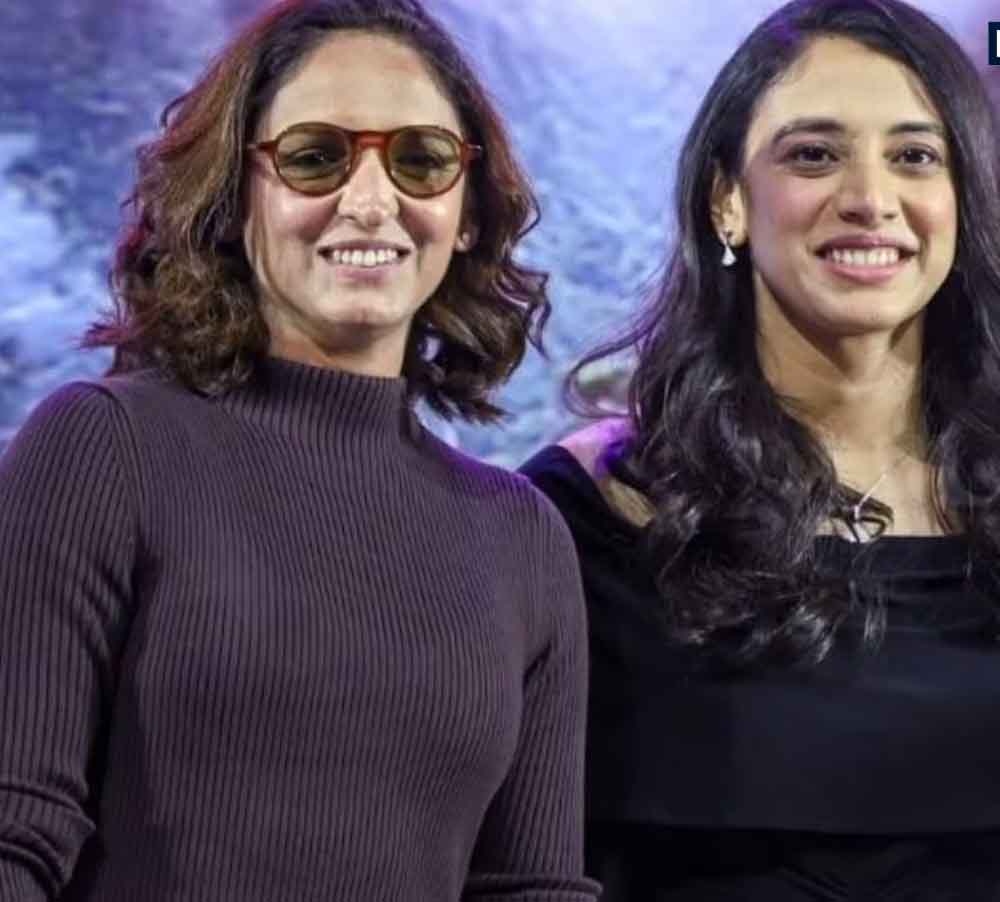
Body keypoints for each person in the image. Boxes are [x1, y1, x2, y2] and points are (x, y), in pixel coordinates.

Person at [0, 2, 600, 900]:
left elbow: (529, 887)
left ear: (467, 213)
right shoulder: (102, 449)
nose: (371, 201)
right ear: (234, 196)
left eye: (421, 160)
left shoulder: (523, 536)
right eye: (316, 157)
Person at [520, 0, 1000, 897]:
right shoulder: (589, 518)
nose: (870, 200)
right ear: (727, 200)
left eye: (915, 156)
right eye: (813, 154)